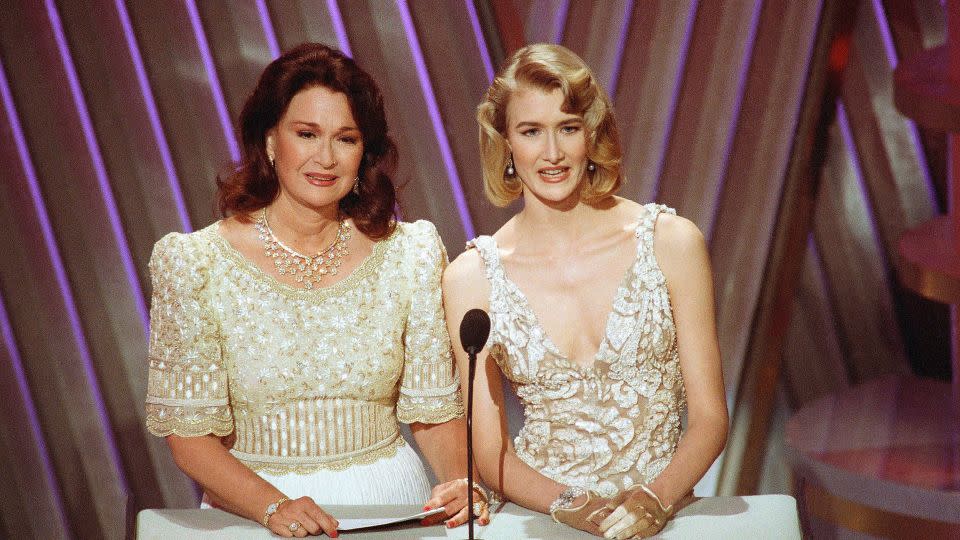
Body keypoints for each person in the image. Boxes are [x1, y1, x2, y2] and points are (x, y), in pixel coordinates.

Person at [145, 43, 487, 538]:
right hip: (255, 513)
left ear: (363, 152)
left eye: (345, 139)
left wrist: (461, 482)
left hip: (389, 507)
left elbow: (433, 412)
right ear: (269, 141)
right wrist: (273, 507)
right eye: (306, 134)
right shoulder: (196, 264)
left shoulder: (408, 254)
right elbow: (190, 440)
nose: (325, 158)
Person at [442, 44, 728, 539]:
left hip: (662, 517)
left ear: (590, 134)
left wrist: (655, 499)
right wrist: (570, 505)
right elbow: (490, 454)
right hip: (543, 519)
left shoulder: (671, 243)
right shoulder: (471, 277)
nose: (551, 154)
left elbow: (709, 418)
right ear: (506, 142)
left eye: (567, 128)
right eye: (531, 131)